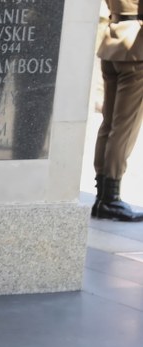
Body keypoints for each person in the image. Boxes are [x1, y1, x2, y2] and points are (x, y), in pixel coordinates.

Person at [92, 0, 143, 221]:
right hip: (136, 49)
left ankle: (102, 195)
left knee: (109, 123)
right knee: (124, 128)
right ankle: (110, 198)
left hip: (112, 39)